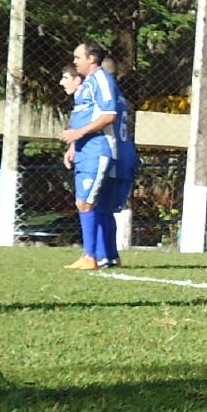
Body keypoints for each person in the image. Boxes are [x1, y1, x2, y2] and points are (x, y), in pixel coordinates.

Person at [60, 41, 138, 270]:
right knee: (101, 207)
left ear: (91, 58)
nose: (75, 61)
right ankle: (108, 256)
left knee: (85, 203)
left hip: (98, 151)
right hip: (101, 151)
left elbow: (108, 115)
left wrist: (78, 134)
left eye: (78, 57)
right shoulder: (92, 84)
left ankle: (89, 256)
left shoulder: (101, 80)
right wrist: (74, 146)